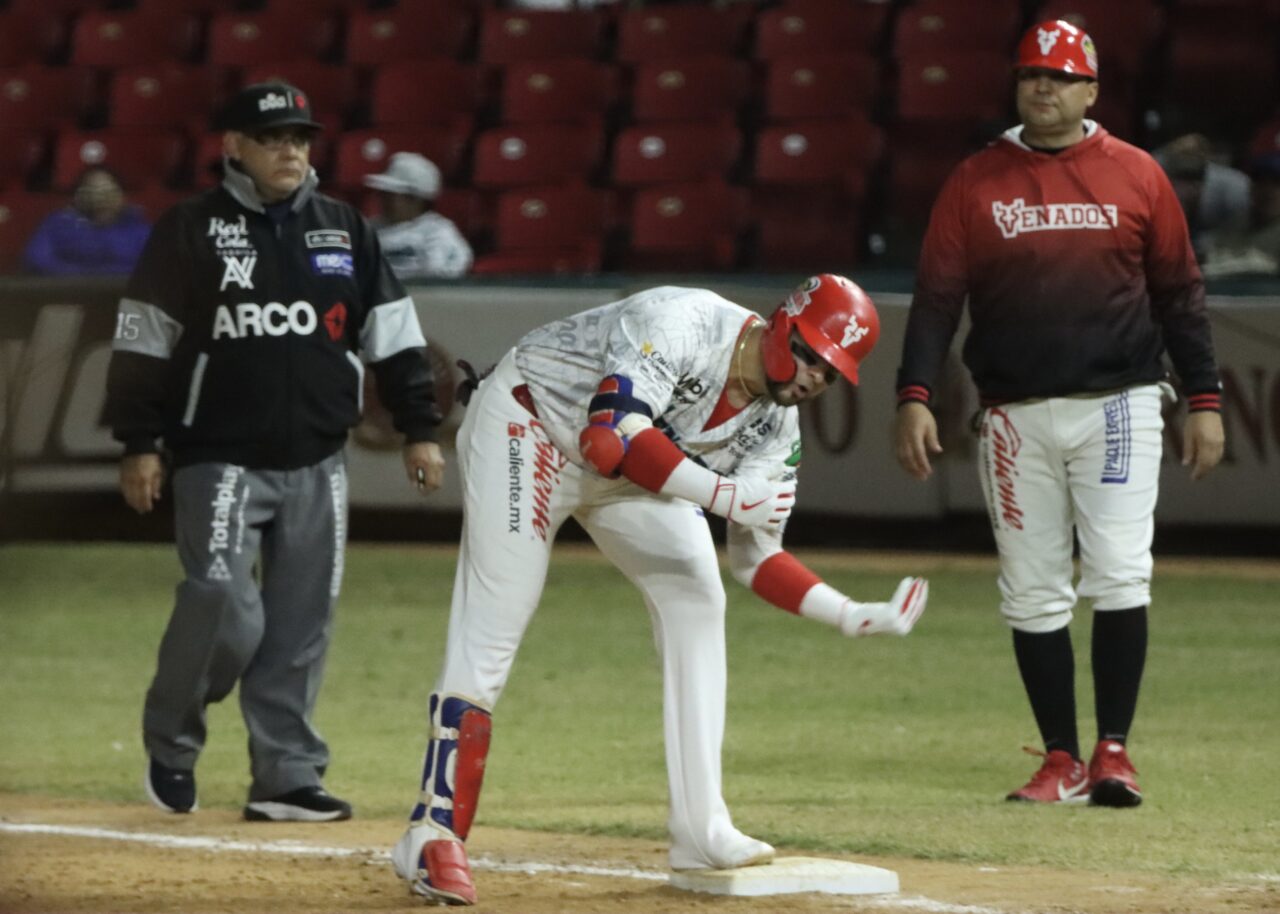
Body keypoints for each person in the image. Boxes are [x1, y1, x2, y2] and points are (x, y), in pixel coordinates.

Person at [390, 274, 930, 905]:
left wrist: (848, 613)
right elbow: (609, 435)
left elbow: (757, 559)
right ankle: (433, 834)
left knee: (699, 596)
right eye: (810, 352)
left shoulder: (775, 428)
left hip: (630, 471)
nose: (813, 376)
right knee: (496, 618)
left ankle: (700, 829)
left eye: (831, 371)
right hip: (531, 424)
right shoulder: (684, 321)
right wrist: (727, 496)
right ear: (780, 323)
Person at [893, 20, 1224, 808]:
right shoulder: (975, 180)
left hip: (1118, 404)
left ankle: (1113, 752)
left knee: (1118, 572)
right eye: (1030, 74)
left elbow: (1180, 292)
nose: (1041, 86)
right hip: (1011, 413)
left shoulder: (1138, 175)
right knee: (1033, 590)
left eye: (1059, 75)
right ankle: (1061, 759)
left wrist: (1205, 398)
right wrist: (915, 394)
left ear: (1091, 90)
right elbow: (938, 299)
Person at [103, 81, 446, 823]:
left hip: (318, 457)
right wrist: (139, 442)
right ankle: (172, 740)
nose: (290, 150)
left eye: (300, 138)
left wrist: (420, 428)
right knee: (221, 599)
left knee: (301, 622)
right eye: (272, 138)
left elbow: (394, 335)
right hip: (215, 455)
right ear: (233, 147)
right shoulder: (189, 229)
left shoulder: (344, 228)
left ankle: (287, 774)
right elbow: (141, 343)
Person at [22, 165, 151, 275]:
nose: (102, 199)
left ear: (122, 196)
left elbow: (148, 269)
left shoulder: (140, 229)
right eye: (92, 192)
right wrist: (86, 277)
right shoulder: (56, 224)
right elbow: (37, 260)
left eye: (108, 192)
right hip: (65, 295)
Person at [363, 152, 472, 281]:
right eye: (383, 194)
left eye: (391, 196)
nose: (383, 201)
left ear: (415, 199)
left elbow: (442, 278)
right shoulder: (368, 229)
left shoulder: (438, 231)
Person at [1153, 133, 1251, 262]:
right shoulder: (1153, 178)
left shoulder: (1233, 187)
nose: (1188, 185)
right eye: (1182, 177)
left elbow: (1243, 234)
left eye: (1193, 177)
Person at [1200, 139, 1280, 278]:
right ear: (1251, 188)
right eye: (1260, 182)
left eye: (1277, 184)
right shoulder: (1236, 224)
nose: (1268, 192)